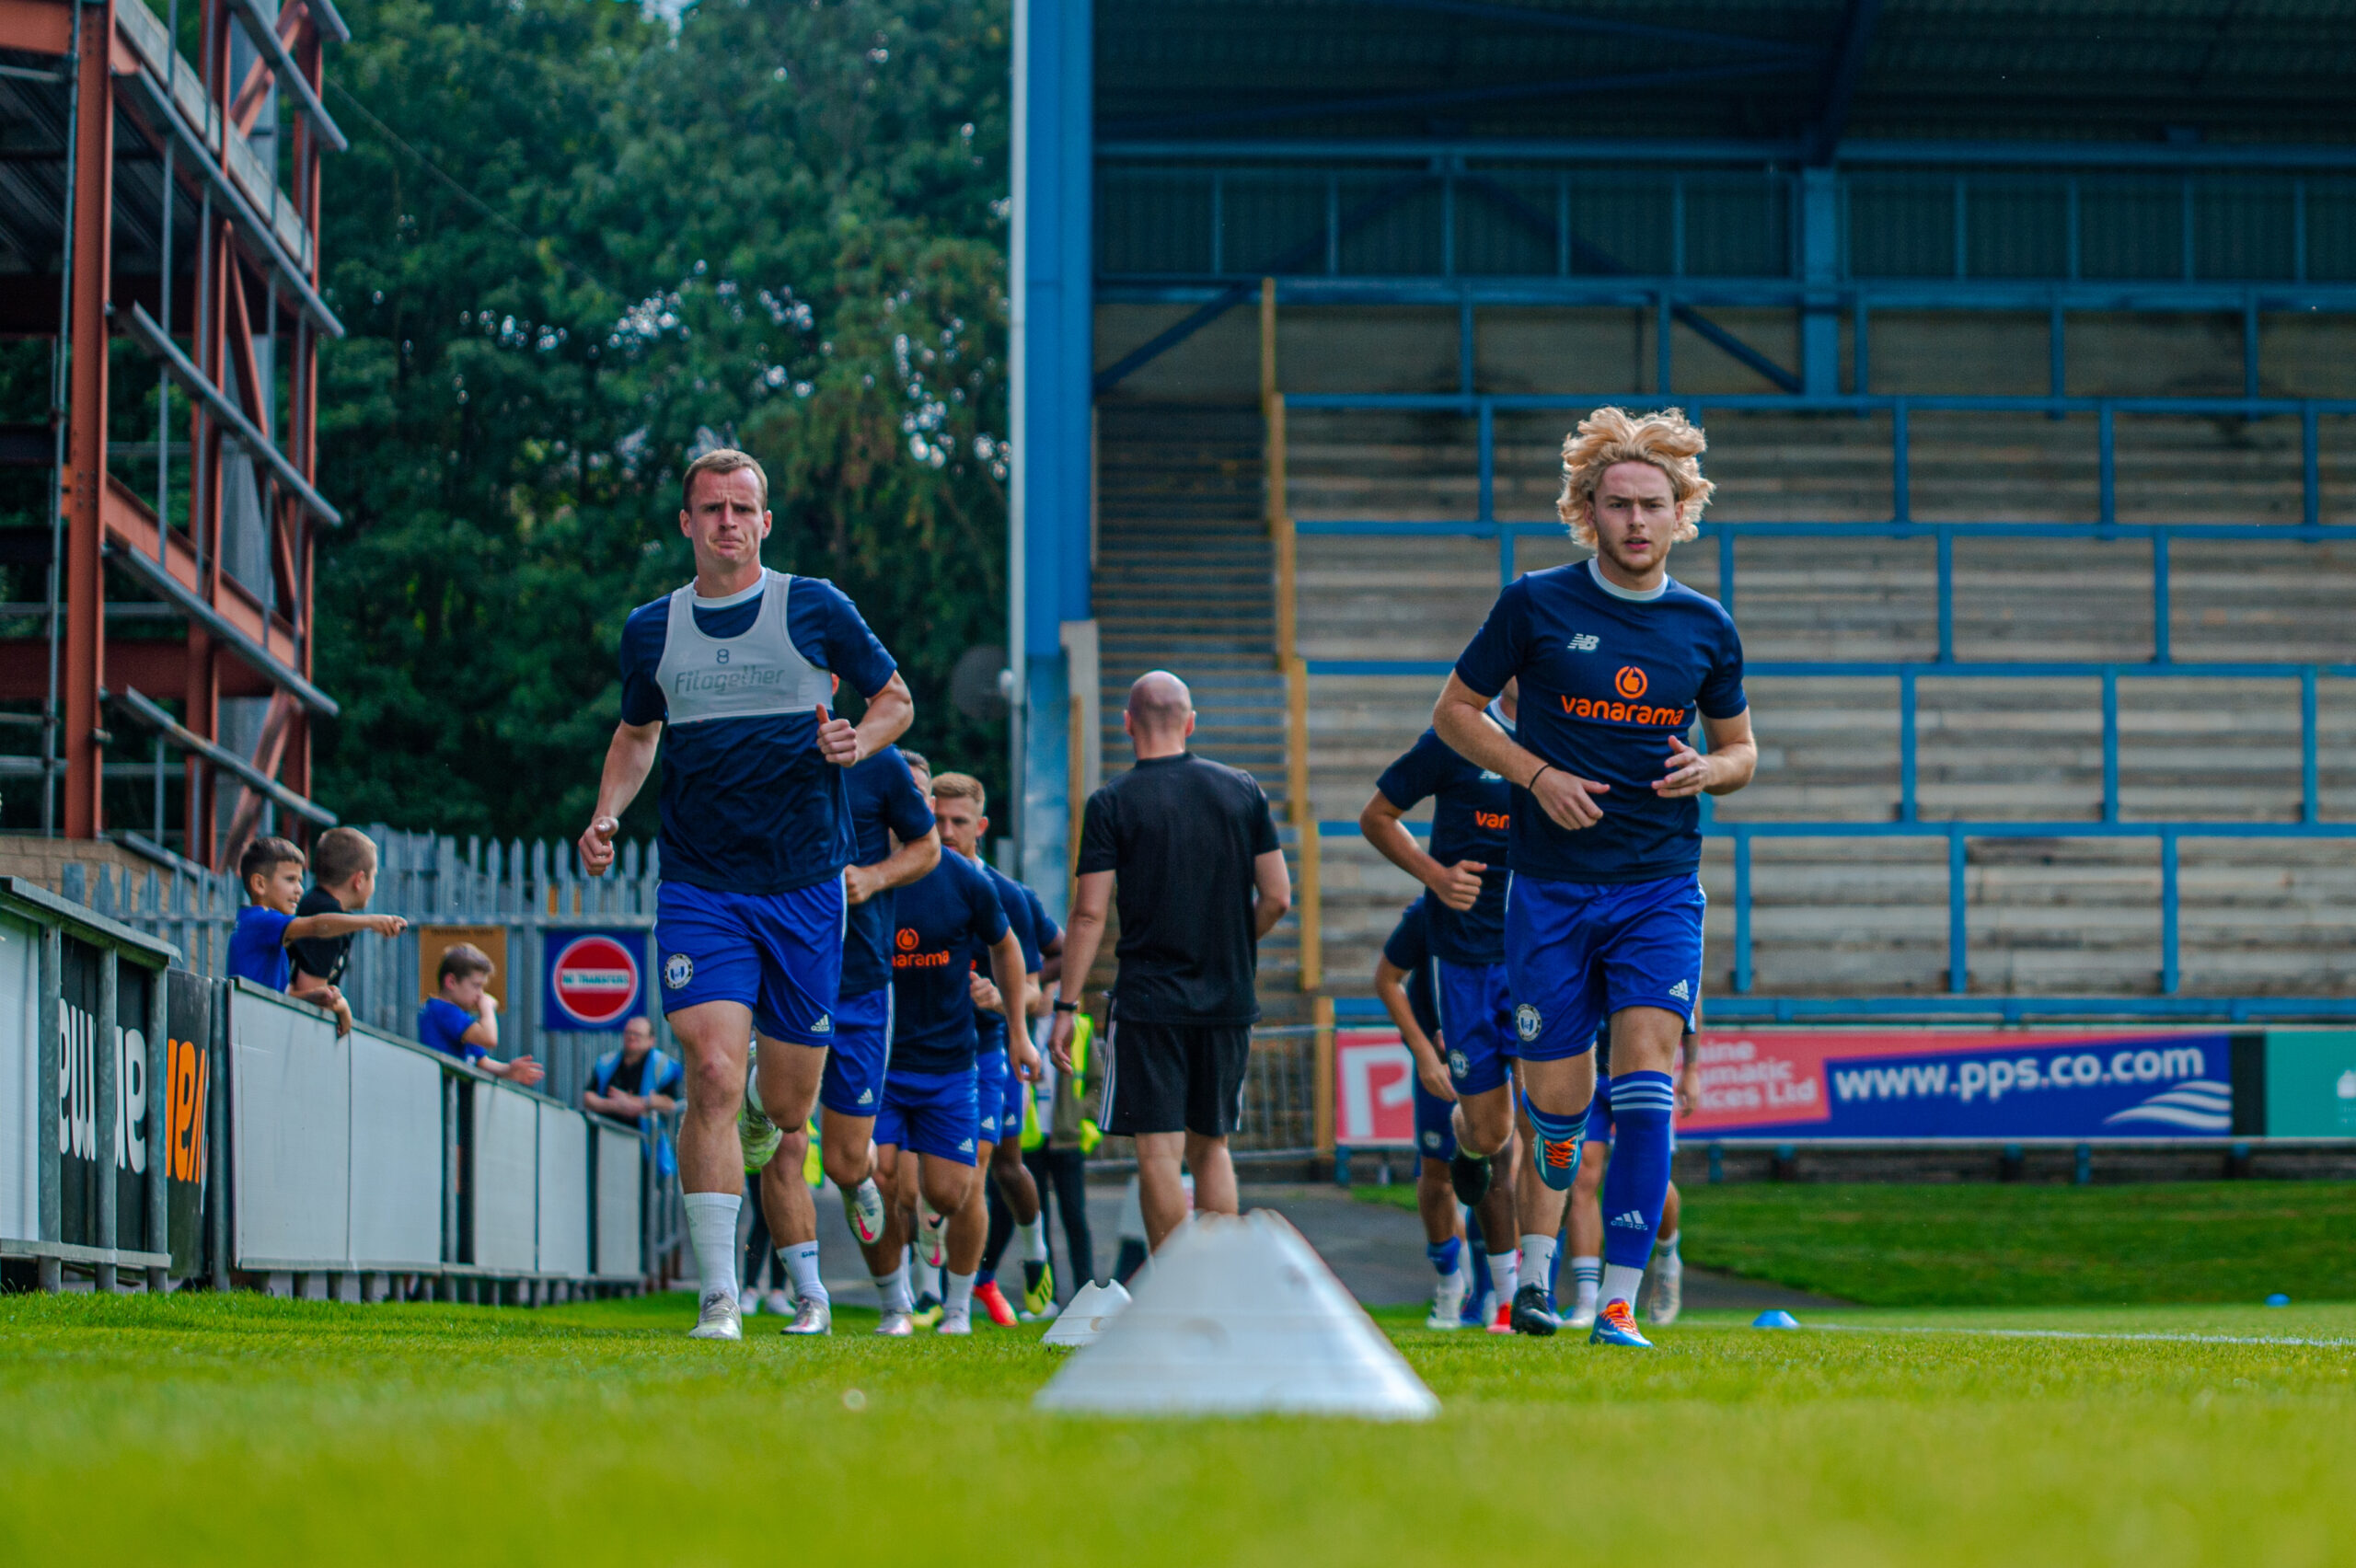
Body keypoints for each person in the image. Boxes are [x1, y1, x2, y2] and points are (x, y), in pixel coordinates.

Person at [1433, 406, 1756, 1349]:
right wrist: (1535, 775)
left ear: (1681, 510)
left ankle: (1615, 1301)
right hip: (1547, 888)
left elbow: (1741, 749)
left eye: (1653, 505)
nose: (1636, 523)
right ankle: (1537, 1276)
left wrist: (1711, 769)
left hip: (1658, 881)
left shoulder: (1705, 627)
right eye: (1616, 505)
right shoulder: (1533, 603)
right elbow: (1455, 714)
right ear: (1586, 510)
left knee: (1646, 1072)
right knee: (1560, 1106)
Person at [577, 446, 914, 1342]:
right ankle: (719, 1299)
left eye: (742, 508)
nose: (727, 522)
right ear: (686, 524)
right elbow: (636, 734)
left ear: (765, 522)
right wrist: (607, 811)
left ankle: (767, 1114)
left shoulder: (813, 606)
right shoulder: (653, 628)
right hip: (701, 885)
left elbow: (895, 698)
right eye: (711, 509)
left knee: (789, 1109)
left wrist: (860, 740)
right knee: (714, 1071)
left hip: (805, 885)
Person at [1049, 672, 1290, 1254]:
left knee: (1158, 1150)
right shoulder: (1241, 790)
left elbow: (1088, 916)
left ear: (1127, 724)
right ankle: (1217, 1292)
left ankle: (1174, 1294)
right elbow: (1279, 896)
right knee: (1213, 1146)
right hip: (1227, 999)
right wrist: (1234, 943)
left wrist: (1065, 1004)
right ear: (1189, 723)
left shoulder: (1110, 803)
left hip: (1150, 1001)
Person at [738, 731, 941, 1321]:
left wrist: (874, 878)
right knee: (784, 1138)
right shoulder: (757, 752)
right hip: (785, 978)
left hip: (859, 988)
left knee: (850, 1165)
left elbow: (925, 847)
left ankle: (895, 1303)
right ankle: (809, 1300)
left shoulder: (877, 765)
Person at [1359, 679, 1521, 1256]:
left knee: (1548, 1125)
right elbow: (1376, 815)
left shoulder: (1573, 738)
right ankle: (1469, 1151)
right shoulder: (1458, 737)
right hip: (1467, 960)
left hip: (1542, 952)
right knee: (1492, 1131)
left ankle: (1531, 1287)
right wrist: (1436, 875)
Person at [872, 831, 1030, 1334]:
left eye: (956, 817)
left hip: (965, 1058)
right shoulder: (866, 877)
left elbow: (1029, 957)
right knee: (883, 1180)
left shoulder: (981, 885)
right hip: (882, 1063)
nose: (944, 824)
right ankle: (901, 1301)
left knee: (956, 1191)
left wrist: (1016, 1023)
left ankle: (958, 1305)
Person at [927, 772, 1057, 1326]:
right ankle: (929, 1298)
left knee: (997, 1168)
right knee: (915, 1177)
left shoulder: (1006, 894)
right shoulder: (908, 882)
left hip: (987, 1049)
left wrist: (1011, 1000)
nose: (948, 831)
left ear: (980, 826)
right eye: (938, 820)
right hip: (919, 1048)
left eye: (959, 822)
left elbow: (1040, 975)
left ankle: (1034, 1254)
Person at [1374, 894, 1519, 1332]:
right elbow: (1386, 979)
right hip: (1442, 1065)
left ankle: (1504, 1296)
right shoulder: (1430, 911)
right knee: (1436, 1175)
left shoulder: (1519, 903)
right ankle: (1449, 1281)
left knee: (1497, 1165)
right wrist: (1422, 1053)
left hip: (1492, 1058)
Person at [1565, 1017, 1700, 1328]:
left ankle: (1667, 1257)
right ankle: (1587, 1298)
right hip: (1590, 1068)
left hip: (1645, 1070)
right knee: (1582, 1177)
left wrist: (1691, 1069)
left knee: (1652, 1182)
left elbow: (1692, 1000)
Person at [227, 836, 406, 1036]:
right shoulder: (260, 921)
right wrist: (371, 922)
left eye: (300, 881)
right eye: (290, 880)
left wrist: (316, 997)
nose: (299, 890)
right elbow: (317, 926)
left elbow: (277, 996)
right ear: (260, 884)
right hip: (250, 1034)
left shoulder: (265, 932)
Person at [417, 944, 546, 1086]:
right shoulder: (442, 1010)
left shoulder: (460, 1020)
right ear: (451, 982)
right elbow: (489, 1039)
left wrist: (508, 1070)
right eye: (476, 985)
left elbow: (481, 1062)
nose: (480, 994)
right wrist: (487, 1007)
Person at [288, 827, 389, 1008]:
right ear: (359, 880)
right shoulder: (326, 914)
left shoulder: (316, 903)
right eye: (373, 876)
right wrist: (341, 1007)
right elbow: (314, 997)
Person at [583, 1016, 681, 1126]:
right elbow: (588, 1097)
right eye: (628, 1033)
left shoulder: (663, 1065)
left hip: (647, 1139)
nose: (632, 1038)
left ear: (651, 1040)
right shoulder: (606, 1062)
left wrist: (636, 1102)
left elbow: (671, 1103)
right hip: (605, 1134)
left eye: (637, 1035)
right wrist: (614, 1105)